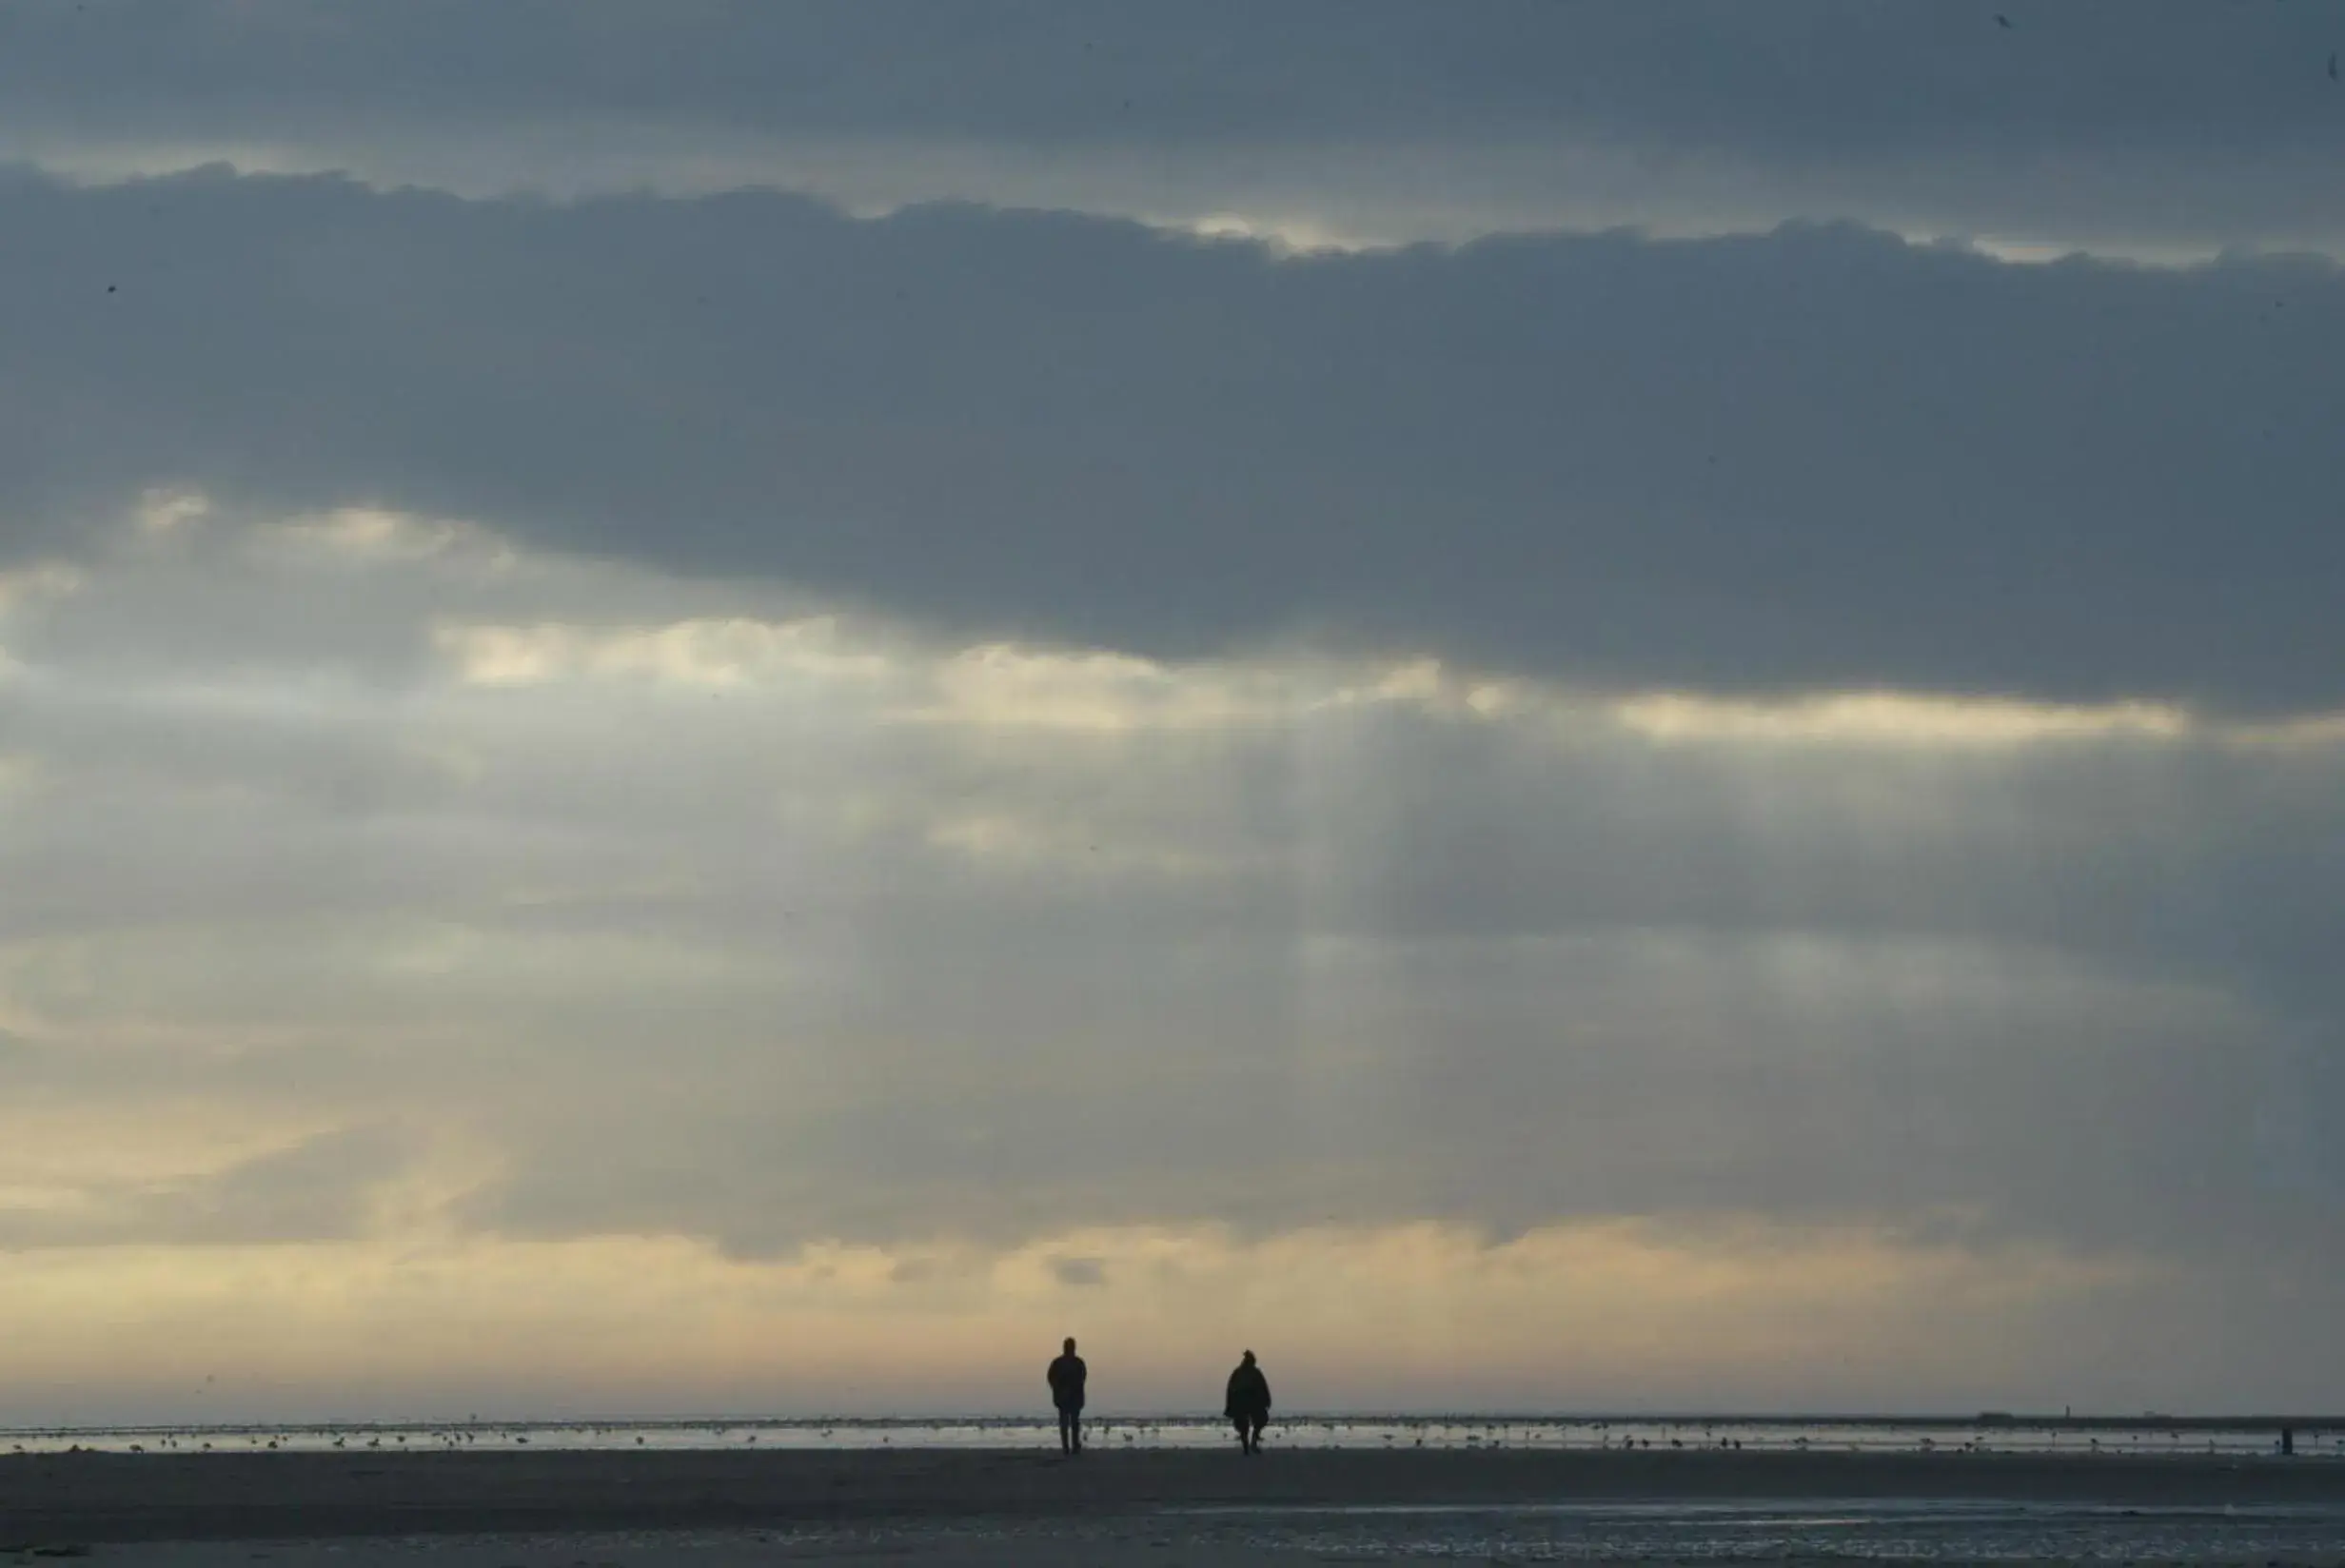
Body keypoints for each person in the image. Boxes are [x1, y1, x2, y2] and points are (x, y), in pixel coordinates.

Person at [1224, 1349, 1271, 1454]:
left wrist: (1266, 1400)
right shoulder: (1239, 1373)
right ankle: (1248, 1446)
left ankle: (1252, 1443)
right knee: (1244, 1425)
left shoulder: (1252, 1372)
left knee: (1258, 1421)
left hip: (1250, 1400)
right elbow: (1231, 1389)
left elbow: (1263, 1387)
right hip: (1243, 1400)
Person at [1047, 1337, 1088, 1455]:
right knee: (1069, 1422)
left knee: (1071, 1422)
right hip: (1065, 1397)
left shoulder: (1076, 1362)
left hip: (1071, 1397)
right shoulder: (1061, 1363)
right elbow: (1051, 1378)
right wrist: (1059, 1389)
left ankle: (1071, 1446)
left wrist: (1060, 1389)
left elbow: (1082, 1378)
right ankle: (1069, 1447)